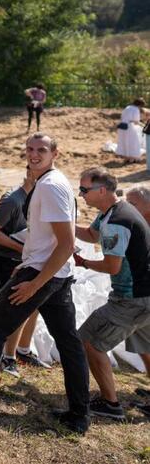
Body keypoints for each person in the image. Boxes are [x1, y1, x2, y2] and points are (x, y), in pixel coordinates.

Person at [0, 133, 90, 435]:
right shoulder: (48, 182)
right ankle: (79, 414)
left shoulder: (50, 187)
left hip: (46, 274)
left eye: (42, 150)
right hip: (51, 272)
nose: (34, 155)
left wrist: (34, 282)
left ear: (55, 153)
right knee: (69, 343)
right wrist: (26, 264)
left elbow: (66, 243)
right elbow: (48, 240)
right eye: (30, 149)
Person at [74, 168, 150, 420]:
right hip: (144, 294)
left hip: (132, 298)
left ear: (102, 190)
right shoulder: (111, 212)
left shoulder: (117, 222)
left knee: (90, 342)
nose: (81, 194)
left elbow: (111, 266)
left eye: (84, 190)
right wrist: (62, 224)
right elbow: (90, 234)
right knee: (145, 345)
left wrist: (83, 262)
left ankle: (111, 404)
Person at [0, 166, 50, 378]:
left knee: (35, 303)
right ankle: (8, 357)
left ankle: (22, 350)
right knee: (19, 304)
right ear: (30, 173)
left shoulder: (43, 198)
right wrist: (21, 248)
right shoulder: (13, 200)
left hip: (26, 258)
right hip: (2, 258)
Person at [121, 186, 150, 416]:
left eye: (133, 203)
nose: (128, 207)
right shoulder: (136, 224)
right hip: (139, 293)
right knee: (143, 343)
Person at [116, 98, 145, 163]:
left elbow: (123, 117)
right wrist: (143, 125)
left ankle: (127, 158)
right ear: (140, 105)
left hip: (122, 126)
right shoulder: (136, 109)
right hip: (129, 127)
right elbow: (136, 121)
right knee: (133, 142)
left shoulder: (128, 107)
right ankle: (132, 158)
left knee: (124, 142)